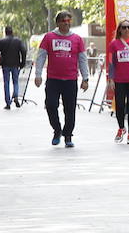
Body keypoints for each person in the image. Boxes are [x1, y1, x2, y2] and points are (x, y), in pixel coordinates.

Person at [34, 11, 89, 148]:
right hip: (53, 79)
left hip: (70, 80)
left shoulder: (77, 39)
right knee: (51, 105)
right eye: (63, 21)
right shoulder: (49, 37)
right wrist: (38, 74)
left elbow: (82, 59)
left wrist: (85, 78)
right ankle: (57, 129)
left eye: (68, 20)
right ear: (58, 23)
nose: (66, 23)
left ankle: (68, 135)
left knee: (70, 109)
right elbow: (41, 56)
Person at [0, 26, 27, 108]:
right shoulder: (18, 41)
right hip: (15, 64)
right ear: (12, 32)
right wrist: (22, 62)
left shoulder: (1, 41)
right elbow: (23, 50)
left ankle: (8, 103)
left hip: (5, 65)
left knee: (6, 83)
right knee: (15, 82)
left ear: (5, 32)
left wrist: (0, 59)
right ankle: (15, 95)